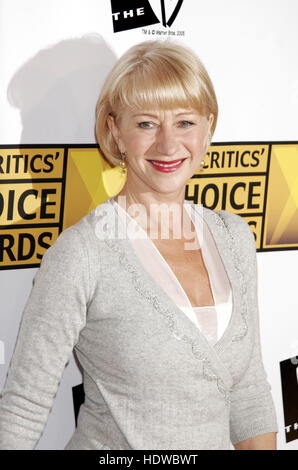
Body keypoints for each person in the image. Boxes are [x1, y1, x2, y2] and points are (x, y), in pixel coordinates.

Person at [0, 40, 278, 450]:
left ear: (208, 126)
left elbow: (249, 392)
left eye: (185, 122)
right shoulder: (83, 253)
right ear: (116, 131)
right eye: (146, 124)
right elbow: (24, 406)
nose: (168, 145)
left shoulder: (233, 237)